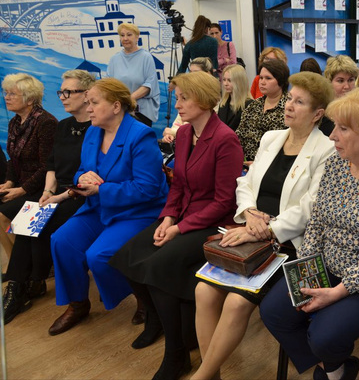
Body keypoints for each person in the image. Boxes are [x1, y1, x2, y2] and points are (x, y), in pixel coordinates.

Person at [260, 87, 359, 380]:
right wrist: (306, 269)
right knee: (274, 311)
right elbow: (317, 222)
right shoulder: (337, 163)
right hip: (330, 264)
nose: (332, 135)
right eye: (334, 126)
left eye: (343, 129)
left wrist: (336, 293)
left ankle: (330, 366)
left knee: (324, 336)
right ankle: (335, 368)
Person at [191, 72, 336, 380]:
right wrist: (249, 213)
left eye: (300, 102)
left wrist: (266, 229)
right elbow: (245, 183)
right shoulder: (272, 138)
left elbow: (310, 208)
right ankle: (210, 375)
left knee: (235, 303)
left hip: (289, 244)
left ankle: (201, 376)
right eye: (290, 98)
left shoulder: (326, 149)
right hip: (252, 232)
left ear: (317, 114)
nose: (289, 105)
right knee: (203, 292)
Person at [110, 71, 244, 380]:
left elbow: (224, 202)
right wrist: (169, 217)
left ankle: (177, 353)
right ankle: (157, 319)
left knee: (159, 267)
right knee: (127, 256)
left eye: (184, 98)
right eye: (177, 97)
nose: (178, 104)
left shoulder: (225, 139)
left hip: (214, 224)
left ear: (204, 101)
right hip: (182, 216)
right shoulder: (184, 134)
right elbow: (179, 184)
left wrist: (179, 228)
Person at [48, 78, 168, 336]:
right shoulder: (93, 132)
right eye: (87, 102)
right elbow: (82, 171)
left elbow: (147, 188)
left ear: (116, 106)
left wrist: (101, 190)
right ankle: (78, 304)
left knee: (98, 255)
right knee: (61, 241)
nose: (88, 108)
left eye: (93, 102)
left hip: (136, 213)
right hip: (99, 208)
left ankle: (142, 297)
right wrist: (82, 177)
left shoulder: (141, 135)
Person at [2, 70, 94, 325]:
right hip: (57, 192)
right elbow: (51, 165)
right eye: (61, 92)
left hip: (82, 194)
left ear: (87, 94)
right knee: (29, 218)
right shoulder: (64, 126)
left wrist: (58, 196)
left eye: (68, 92)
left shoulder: (96, 128)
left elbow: (91, 174)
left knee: (35, 221)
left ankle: (26, 285)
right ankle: (20, 285)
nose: (62, 97)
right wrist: (47, 192)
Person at [0, 74, 58, 260]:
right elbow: (13, 158)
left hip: (43, 188)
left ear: (30, 99)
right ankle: (15, 265)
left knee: (2, 217)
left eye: (12, 94)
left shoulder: (46, 123)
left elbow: (48, 166)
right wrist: (9, 182)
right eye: (6, 93)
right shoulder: (15, 122)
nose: (6, 97)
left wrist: (21, 190)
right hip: (21, 184)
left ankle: (21, 265)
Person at [237, 59, 290, 162]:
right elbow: (239, 136)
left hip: (276, 165)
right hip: (247, 165)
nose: (262, 82)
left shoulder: (290, 108)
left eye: (268, 78)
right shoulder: (253, 106)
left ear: (281, 81)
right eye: (261, 78)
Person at [107, 23, 160, 127]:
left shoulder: (146, 57)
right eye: (122, 35)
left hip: (140, 113)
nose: (125, 38)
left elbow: (149, 85)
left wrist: (128, 100)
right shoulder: (114, 59)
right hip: (119, 111)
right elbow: (108, 85)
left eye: (129, 35)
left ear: (137, 37)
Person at [163, 57, 214, 143]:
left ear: (207, 74)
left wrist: (172, 132)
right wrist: (169, 136)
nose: (177, 106)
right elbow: (176, 124)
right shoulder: (186, 94)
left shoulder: (212, 101)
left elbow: (201, 131)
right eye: (190, 72)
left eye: (196, 73)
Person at [321, 55, 359, 136]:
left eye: (350, 80)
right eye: (340, 81)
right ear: (329, 82)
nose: (347, 86)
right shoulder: (321, 112)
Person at [217, 64, 254, 131]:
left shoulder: (249, 105)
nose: (225, 84)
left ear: (239, 82)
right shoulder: (223, 104)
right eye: (224, 80)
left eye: (229, 80)